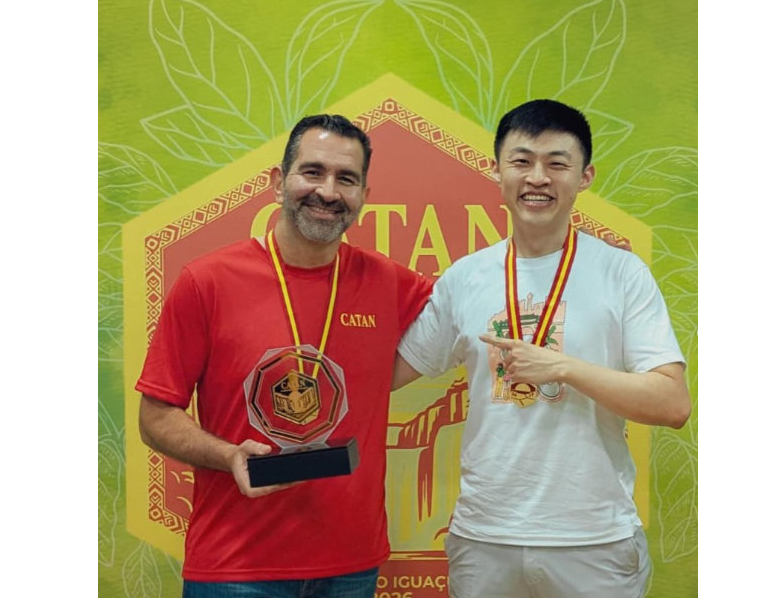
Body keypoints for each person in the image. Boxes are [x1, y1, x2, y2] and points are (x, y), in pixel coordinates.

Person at [392, 99, 691, 598]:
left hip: (593, 540)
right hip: (485, 537)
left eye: (557, 163)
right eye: (522, 161)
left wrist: (564, 368)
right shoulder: (466, 277)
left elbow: (672, 404)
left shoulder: (622, 273)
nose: (537, 178)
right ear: (497, 170)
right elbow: (385, 375)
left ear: (584, 176)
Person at [136, 114, 433, 597]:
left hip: (351, 568)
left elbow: (470, 308)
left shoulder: (388, 281)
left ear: (363, 196)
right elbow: (154, 417)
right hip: (236, 567)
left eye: (346, 179)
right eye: (312, 172)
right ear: (278, 182)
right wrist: (229, 455)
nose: (328, 191)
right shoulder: (207, 282)